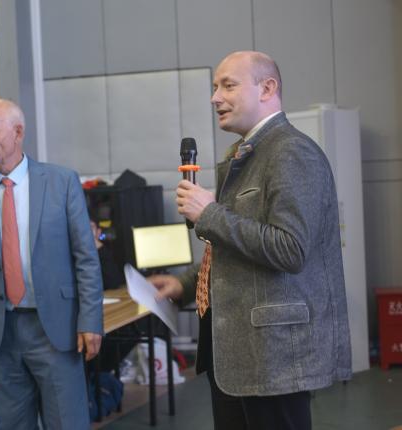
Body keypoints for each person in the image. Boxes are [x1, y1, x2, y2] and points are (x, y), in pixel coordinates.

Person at [151, 51, 352, 430]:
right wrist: (185, 283)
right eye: (215, 87)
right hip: (236, 352)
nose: (215, 97)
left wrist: (209, 213)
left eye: (228, 85)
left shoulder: (291, 152)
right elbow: (232, 248)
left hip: (273, 355)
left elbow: (290, 248)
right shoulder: (245, 155)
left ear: (267, 88)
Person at [0, 98, 103, 429]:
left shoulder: (61, 182)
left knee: (67, 422)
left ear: (17, 132)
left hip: (56, 327)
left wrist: (90, 320)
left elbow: (86, 259)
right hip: (1, 330)